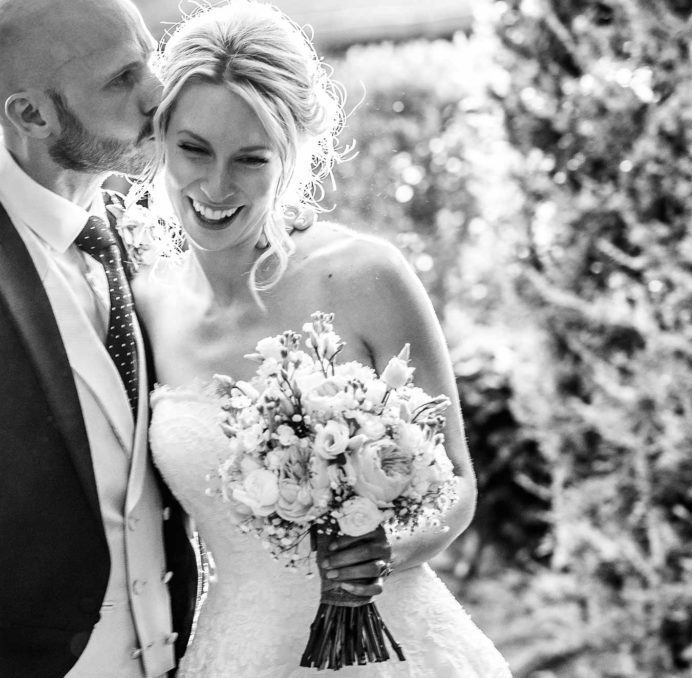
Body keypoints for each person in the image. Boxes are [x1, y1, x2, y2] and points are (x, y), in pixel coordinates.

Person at [136, 2, 511, 677]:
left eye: (251, 159)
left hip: (396, 646)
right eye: (194, 148)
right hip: (240, 649)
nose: (216, 186)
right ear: (159, 136)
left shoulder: (365, 277)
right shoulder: (148, 303)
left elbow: (455, 484)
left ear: (294, 156)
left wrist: (379, 554)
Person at [0, 0, 199, 676]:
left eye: (152, 58)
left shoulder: (157, 231)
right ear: (30, 116)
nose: (159, 93)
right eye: (121, 79)